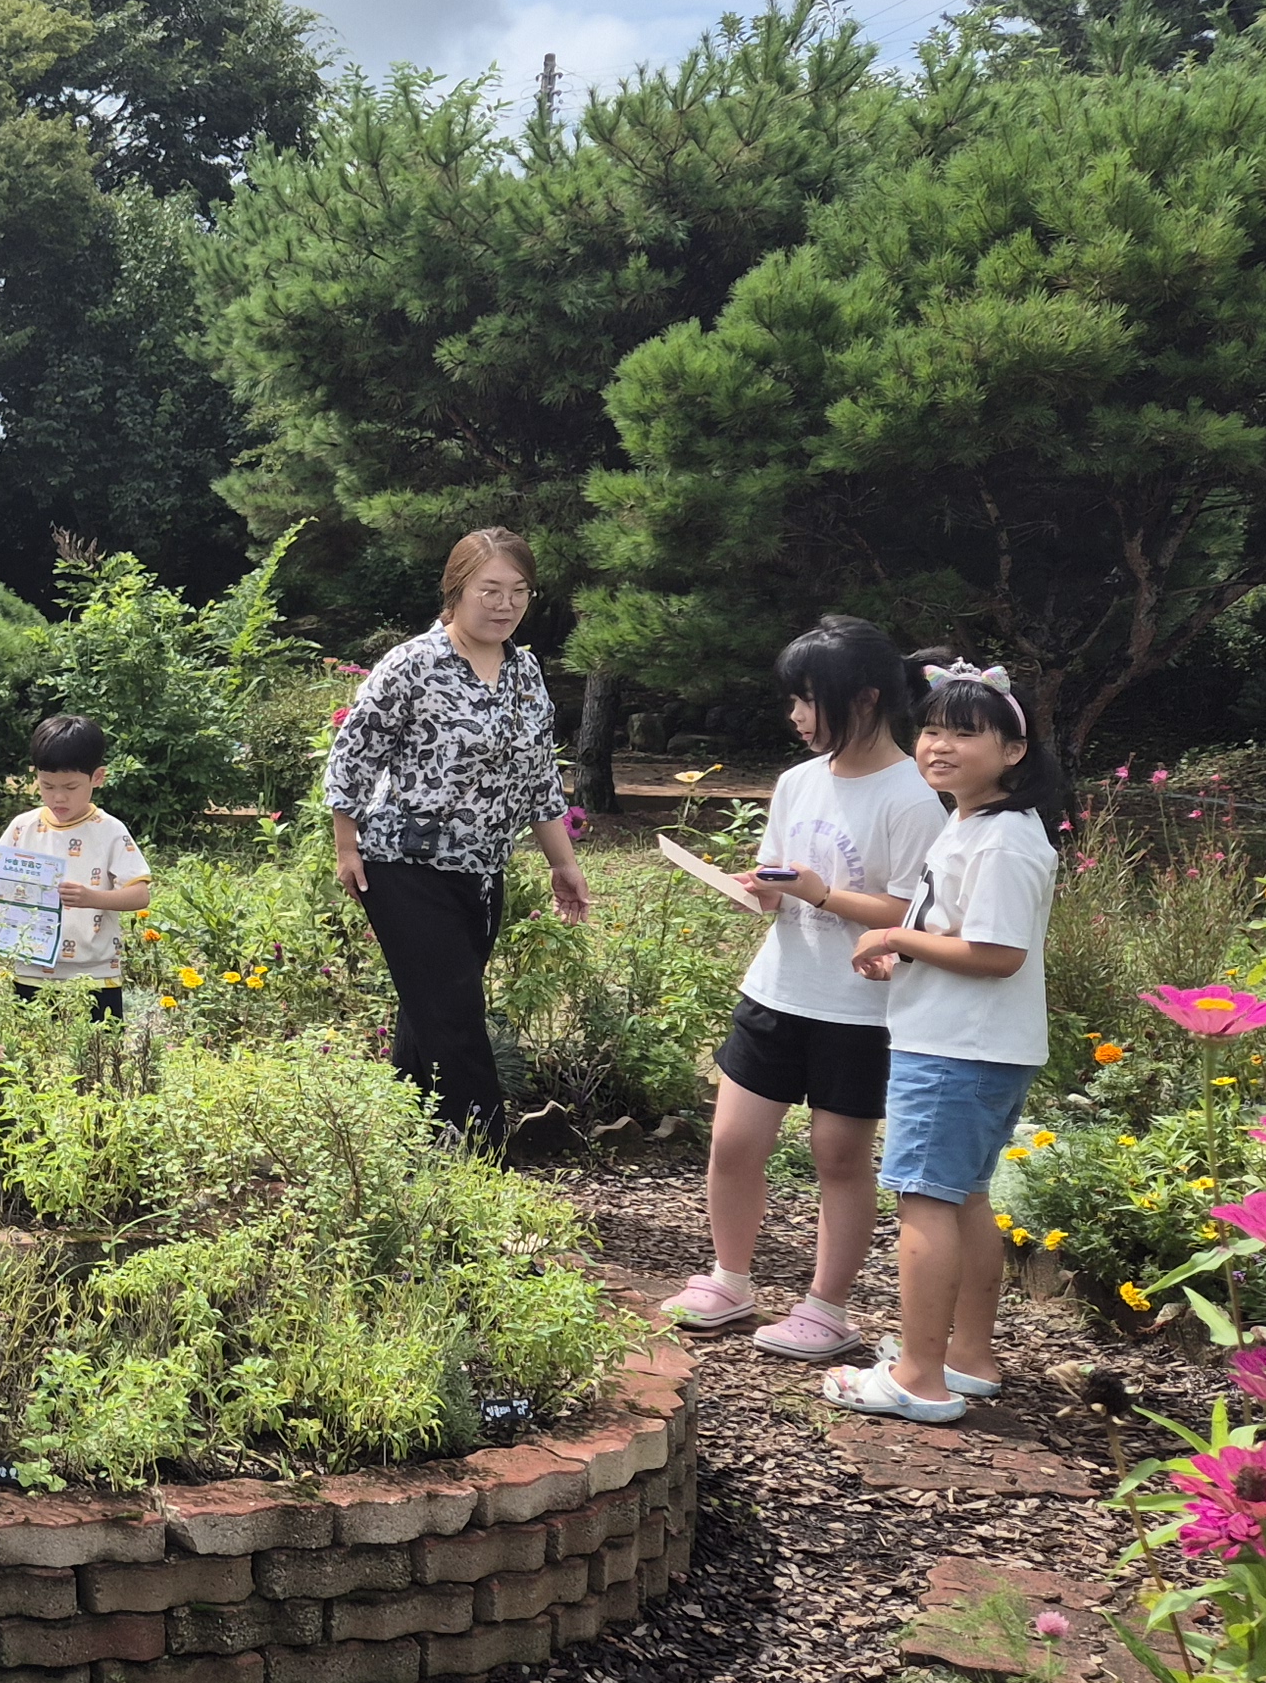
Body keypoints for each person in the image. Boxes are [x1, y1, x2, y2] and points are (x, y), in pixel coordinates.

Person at [660, 619, 940, 1365]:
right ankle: (730, 1279)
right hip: (777, 990)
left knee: (839, 1157)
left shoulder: (913, 796)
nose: (796, 716)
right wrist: (759, 891)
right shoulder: (796, 783)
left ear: (867, 699)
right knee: (732, 1142)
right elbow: (780, 885)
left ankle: (828, 1306)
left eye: (809, 700)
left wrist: (822, 893)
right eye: (793, 700)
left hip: (860, 1009)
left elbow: (916, 915)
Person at [829, 665, 1066, 1424]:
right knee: (962, 1196)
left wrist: (896, 933)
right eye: (932, 728)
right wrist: (911, 948)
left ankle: (918, 1377)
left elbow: (998, 953)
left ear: (1014, 750)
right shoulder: (974, 823)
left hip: (957, 1051)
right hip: (977, 1043)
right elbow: (962, 937)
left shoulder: (999, 840)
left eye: (965, 732)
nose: (939, 745)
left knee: (925, 1198)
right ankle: (968, 1359)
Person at [319, 529, 592, 1142]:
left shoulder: (525, 673)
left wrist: (562, 862)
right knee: (454, 1016)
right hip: (402, 864)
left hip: (482, 869)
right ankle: (486, 1161)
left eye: (519, 592)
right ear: (457, 590)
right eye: (489, 589)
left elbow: (538, 775)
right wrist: (346, 846)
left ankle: (413, 1150)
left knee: (430, 1014)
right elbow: (353, 756)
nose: (504, 604)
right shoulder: (414, 664)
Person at [0, 715, 153, 1015]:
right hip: (31, 967)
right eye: (47, 785)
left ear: (97, 777)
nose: (58, 797)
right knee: (31, 1054)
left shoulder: (109, 830)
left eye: (70, 786)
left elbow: (140, 894)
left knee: (98, 1056)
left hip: (96, 973)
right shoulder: (22, 827)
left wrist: (92, 898)